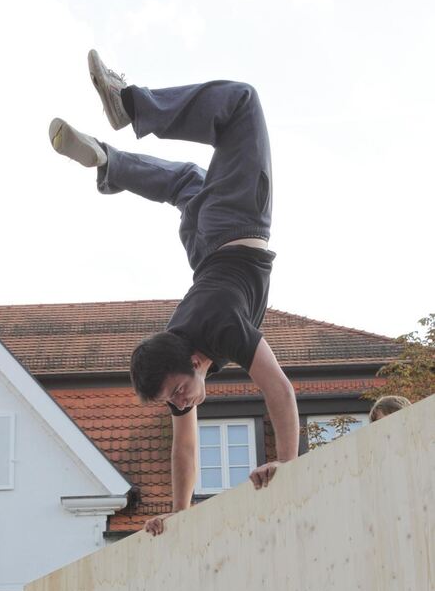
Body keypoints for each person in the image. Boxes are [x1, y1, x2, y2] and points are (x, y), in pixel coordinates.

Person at [49, 50, 300, 536]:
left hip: (232, 224)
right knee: (187, 181)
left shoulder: (222, 327)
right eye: (175, 398)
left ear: (193, 359)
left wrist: (287, 464)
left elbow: (280, 390)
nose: (183, 401)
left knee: (243, 103)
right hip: (202, 240)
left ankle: (133, 105)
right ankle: (109, 161)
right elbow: (183, 446)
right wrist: (181, 519)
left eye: (180, 392)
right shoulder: (175, 360)